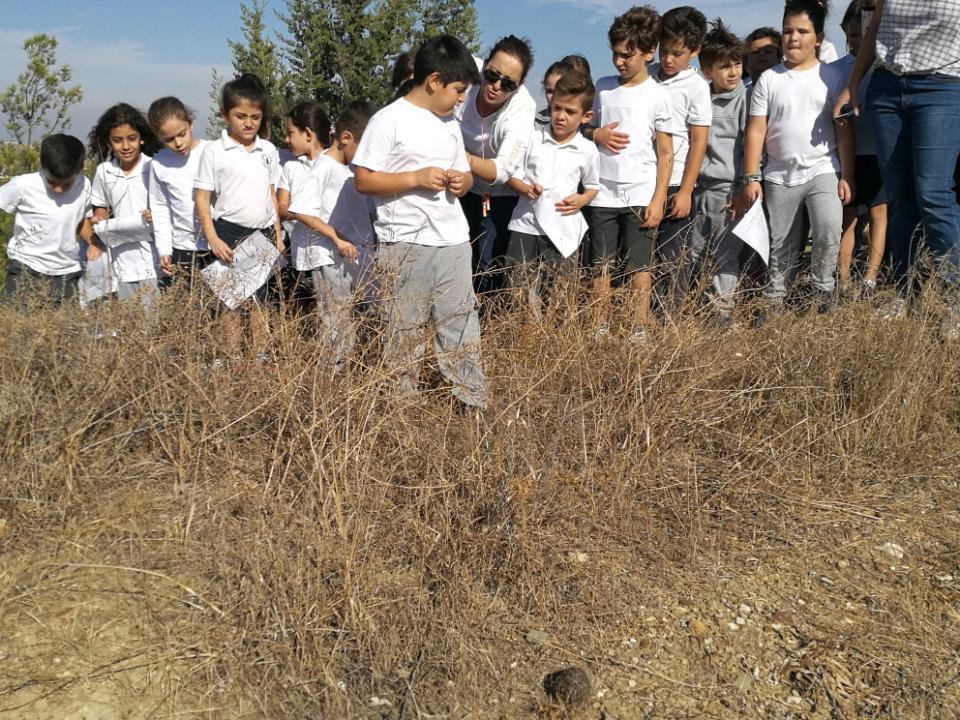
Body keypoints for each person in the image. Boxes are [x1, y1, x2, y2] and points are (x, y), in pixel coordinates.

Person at [353, 35, 487, 411]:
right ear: (433, 81)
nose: (462, 99)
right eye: (458, 90)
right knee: (403, 332)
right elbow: (364, 179)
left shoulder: (448, 123)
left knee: (461, 326)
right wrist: (414, 178)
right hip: (405, 244)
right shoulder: (388, 120)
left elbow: (462, 171)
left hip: (453, 242)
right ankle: (403, 411)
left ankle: (471, 403)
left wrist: (464, 182)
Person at [834, 0, 960, 333]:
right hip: (887, 89)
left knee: (933, 194)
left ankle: (953, 298)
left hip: (943, 87)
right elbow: (876, 25)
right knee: (900, 198)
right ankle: (907, 290)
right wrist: (854, 83)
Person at [739, 0, 854, 320]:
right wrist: (751, 176)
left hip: (823, 169)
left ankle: (823, 293)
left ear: (817, 37)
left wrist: (848, 175)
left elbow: (843, 130)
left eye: (802, 31)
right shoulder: (769, 80)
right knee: (781, 245)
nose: (793, 37)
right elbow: (756, 131)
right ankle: (774, 305)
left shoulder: (831, 76)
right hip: (778, 175)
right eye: (787, 31)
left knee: (829, 227)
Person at [584, 4, 673, 343]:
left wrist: (658, 198)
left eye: (627, 55)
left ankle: (638, 330)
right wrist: (597, 134)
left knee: (640, 267)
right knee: (600, 266)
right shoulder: (603, 87)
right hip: (602, 193)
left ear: (649, 52)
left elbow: (665, 152)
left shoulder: (658, 96)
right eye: (615, 54)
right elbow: (585, 129)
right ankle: (599, 328)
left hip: (640, 194)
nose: (619, 61)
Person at [194, 73, 284, 361]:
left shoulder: (268, 150)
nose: (248, 123)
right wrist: (212, 239)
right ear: (225, 115)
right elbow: (202, 198)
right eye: (241, 116)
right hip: (228, 234)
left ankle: (259, 357)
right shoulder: (213, 151)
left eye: (255, 117)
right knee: (228, 304)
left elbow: (272, 195)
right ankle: (231, 359)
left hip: (263, 234)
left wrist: (278, 237)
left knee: (260, 302)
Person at [504, 70, 600, 318]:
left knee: (558, 295)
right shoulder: (532, 138)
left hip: (562, 230)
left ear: (586, 116)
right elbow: (510, 174)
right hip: (525, 225)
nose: (561, 116)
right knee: (517, 291)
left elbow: (593, 186)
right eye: (557, 108)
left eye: (570, 112)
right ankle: (522, 338)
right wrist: (526, 188)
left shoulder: (587, 149)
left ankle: (551, 346)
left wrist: (582, 199)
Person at [287, 101, 376, 364]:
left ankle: (352, 369)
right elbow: (300, 210)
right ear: (346, 138)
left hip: (357, 255)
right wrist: (335, 238)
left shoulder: (351, 170)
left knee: (358, 316)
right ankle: (334, 378)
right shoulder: (323, 166)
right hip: (330, 257)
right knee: (336, 322)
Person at [455, 35, 537, 295]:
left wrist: (459, 156)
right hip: (456, 182)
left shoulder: (523, 108)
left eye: (508, 84)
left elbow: (502, 170)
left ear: (520, 85)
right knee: (456, 249)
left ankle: (485, 315)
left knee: (487, 260)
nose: (495, 86)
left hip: (497, 194)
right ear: (484, 65)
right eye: (491, 75)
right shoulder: (465, 72)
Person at [650, 5, 713, 315]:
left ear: (695, 51)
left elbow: (699, 141)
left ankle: (669, 320)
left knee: (673, 258)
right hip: (642, 180)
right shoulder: (646, 76)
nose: (668, 59)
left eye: (676, 52)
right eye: (664, 50)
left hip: (676, 185)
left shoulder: (697, 87)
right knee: (642, 258)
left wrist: (686, 190)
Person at [692, 20, 749, 322]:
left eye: (737, 64)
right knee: (691, 255)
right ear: (707, 71)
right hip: (699, 189)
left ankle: (723, 317)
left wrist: (742, 188)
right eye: (724, 67)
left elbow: (749, 149)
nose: (732, 72)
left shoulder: (746, 99)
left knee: (726, 257)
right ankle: (690, 311)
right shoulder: (699, 97)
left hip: (730, 191)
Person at [832, 0, 886, 298]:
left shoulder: (882, 67)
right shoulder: (838, 70)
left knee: (879, 215)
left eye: (863, 36)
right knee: (848, 219)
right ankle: (842, 278)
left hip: (877, 152)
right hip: (849, 156)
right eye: (853, 36)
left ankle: (870, 277)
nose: (857, 42)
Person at [84, 103, 162, 309]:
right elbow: (100, 209)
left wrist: (156, 215)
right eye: (118, 140)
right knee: (129, 325)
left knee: (153, 324)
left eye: (131, 138)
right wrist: (98, 222)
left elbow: (164, 208)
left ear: (141, 138)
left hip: (153, 261)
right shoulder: (104, 172)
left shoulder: (153, 167)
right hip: (120, 262)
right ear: (109, 142)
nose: (126, 146)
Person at [1, 134, 91, 306]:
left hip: (67, 272)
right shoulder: (23, 185)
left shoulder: (84, 185)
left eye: (66, 185)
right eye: (52, 182)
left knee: (66, 330)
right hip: (26, 269)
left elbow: (81, 220)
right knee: (20, 329)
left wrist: (94, 243)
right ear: (42, 166)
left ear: (80, 169)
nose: (58, 190)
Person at [147, 97, 210, 287]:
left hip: (217, 244)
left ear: (190, 124)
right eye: (169, 139)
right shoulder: (158, 164)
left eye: (182, 134)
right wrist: (164, 249)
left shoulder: (212, 151)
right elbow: (160, 208)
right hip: (183, 249)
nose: (178, 143)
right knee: (189, 310)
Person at [743, 27, 783, 92]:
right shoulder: (739, 97)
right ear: (746, 60)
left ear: (779, 58)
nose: (761, 54)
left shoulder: (790, 91)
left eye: (768, 51)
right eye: (755, 52)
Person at [536, 60, 573, 127]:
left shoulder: (583, 124)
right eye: (550, 91)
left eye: (560, 91)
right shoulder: (534, 123)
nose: (555, 97)